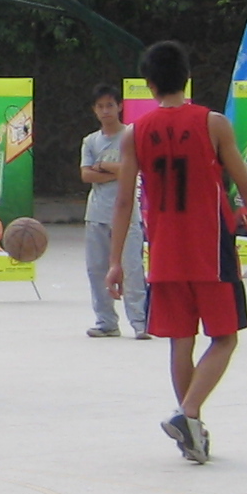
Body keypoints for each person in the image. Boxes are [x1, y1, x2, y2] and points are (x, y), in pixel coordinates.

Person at [106, 41, 247, 463]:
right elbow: (246, 186)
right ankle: (188, 414)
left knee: (180, 342)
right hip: (210, 248)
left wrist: (115, 262)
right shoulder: (213, 123)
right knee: (225, 337)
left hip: (164, 250)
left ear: (149, 85)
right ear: (187, 78)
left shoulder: (134, 133)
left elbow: (124, 201)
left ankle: (191, 433)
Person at [80, 85, 149, 339]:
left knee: (132, 268)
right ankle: (106, 321)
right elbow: (86, 175)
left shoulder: (130, 136)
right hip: (96, 214)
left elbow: (135, 169)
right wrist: (118, 170)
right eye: (100, 106)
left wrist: (105, 166)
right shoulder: (90, 141)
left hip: (128, 215)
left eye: (110, 105)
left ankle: (140, 322)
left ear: (120, 106)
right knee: (97, 269)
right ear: (94, 110)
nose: (105, 111)